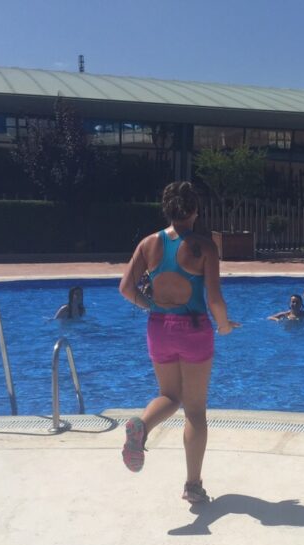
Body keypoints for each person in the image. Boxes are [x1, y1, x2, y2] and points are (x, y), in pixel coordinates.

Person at [118, 181, 239, 504]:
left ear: (167, 210)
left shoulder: (148, 244)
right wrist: (225, 326)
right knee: (195, 411)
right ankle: (193, 485)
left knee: (169, 395)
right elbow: (214, 298)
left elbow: (127, 289)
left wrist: (152, 307)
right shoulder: (204, 247)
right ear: (196, 211)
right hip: (194, 329)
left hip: (158, 327)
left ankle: (141, 425)